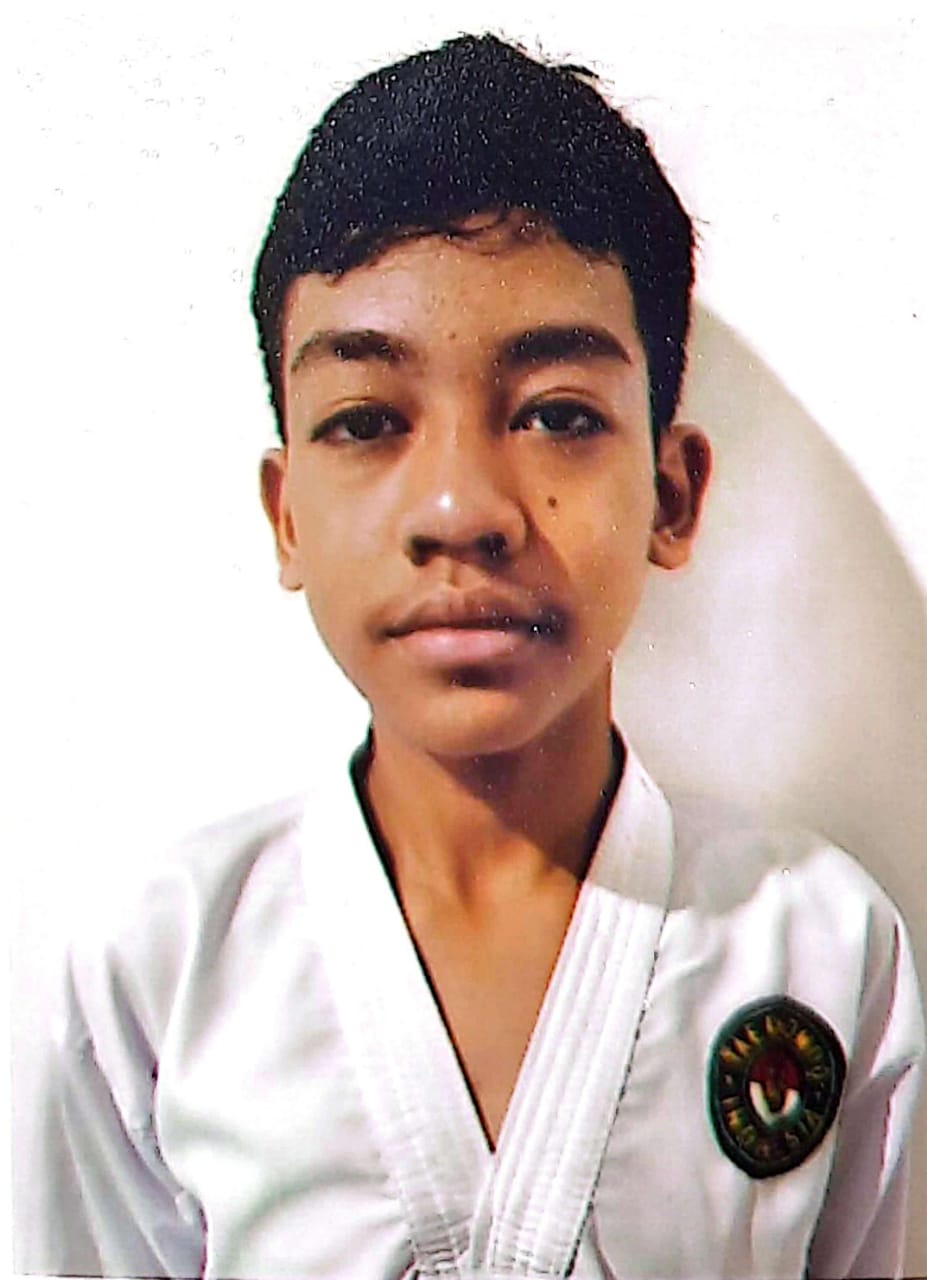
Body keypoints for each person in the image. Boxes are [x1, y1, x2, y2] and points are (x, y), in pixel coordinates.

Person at [34, 32, 924, 1280]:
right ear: (287, 518)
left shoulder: (817, 947)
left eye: (558, 413)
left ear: (671, 495)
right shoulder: (162, 969)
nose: (461, 507)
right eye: (365, 421)